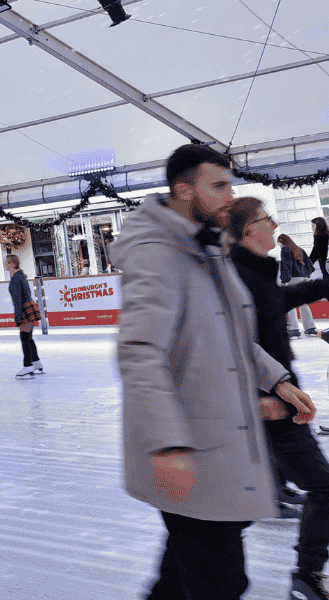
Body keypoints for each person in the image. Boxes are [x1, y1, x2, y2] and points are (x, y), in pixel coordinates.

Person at [109, 144, 316, 600]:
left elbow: (231, 336)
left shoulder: (208, 247)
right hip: (190, 449)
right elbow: (140, 353)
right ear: (184, 190)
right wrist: (168, 446)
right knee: (218, 582)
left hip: (218, 442)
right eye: (218, 185)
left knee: (185, 582)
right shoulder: (157, 255)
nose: (229, 195)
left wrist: (277, 379)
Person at [228, 197, 329, 599]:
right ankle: (306, 575)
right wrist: (262, 396)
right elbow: (234, 347)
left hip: (277, 398)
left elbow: (280, 301)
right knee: (324, 489)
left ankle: (273, 489)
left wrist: (324, 285)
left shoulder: (254, 273)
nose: (274, 225)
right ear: (250, 228)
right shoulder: (237, 277)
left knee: (238, 507)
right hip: (270, 406)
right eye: (267, 219)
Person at [5, 254, 42, 378]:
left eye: (6, 263)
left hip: (24, 308)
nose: (6, 265)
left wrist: (18, 315)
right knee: (28, 337)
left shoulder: (16, 278)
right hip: (29, 306)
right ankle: (36, 362)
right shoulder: (20, 276)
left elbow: (17, 299)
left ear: (11, 264)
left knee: (25, 337)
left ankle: (27, 366)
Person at [280, 233, 318, 338]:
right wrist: (306, 276)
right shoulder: (300, 249)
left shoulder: (285, 249)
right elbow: (310, 265)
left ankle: (294, 330)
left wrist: (284, 280)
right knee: (304, 303)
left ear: (281, 242)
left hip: (294, 278)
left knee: (290, 302)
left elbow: (286, 266)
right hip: (304, 278)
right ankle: (310, 329)